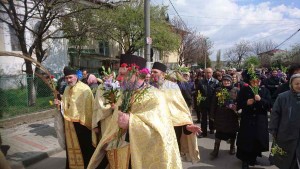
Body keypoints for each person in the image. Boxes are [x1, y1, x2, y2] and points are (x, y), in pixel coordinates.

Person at [88, 55, 184, 169]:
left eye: (122, 74)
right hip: (120, 154)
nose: (118, 78)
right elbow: (114, 126)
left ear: (137, 74)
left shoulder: (156, 97)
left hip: (142, 158)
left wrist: (131, 122)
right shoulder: (124, 95)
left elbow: (162, 134)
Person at [151, 62, 201, 163]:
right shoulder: (148, 87)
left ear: (163, 74)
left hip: (172, 128)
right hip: (153, 128)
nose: (152, 74)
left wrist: (187, 126)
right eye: (151, 72)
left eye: (155, 72)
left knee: (171, 158)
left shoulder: (173, 87)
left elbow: (180, 109)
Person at [54, 66, 95, 169]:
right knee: (71, 150)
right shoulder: (67, 89)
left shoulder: (85, 89)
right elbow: (67, 104)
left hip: (83, 125)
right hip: (70, 126)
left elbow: (90, 107)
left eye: (70, 77)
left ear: (76, 76)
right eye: (66, 78)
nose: (68, 80)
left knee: (84, 150)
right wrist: (60, 103)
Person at [236, 69, 271, 169]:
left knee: (257, 139)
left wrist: (261, 100)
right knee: (246, 140)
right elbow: (238, 105)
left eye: (258, 80)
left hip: (260, 120)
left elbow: (269, 105)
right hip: (247, 120)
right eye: (253, 81)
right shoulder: (244, 90)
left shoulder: (264, 90)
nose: (256, 82)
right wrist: (246, 103)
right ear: (249, 81)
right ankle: (245, 161)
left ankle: (253, 157)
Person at [269, 73, 300, 169]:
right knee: (285, 160)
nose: (299, 86)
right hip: (285, 133)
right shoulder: (282, 97)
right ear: (291, 84)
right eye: (297, 83)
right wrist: (273, 130)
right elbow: (275, 115)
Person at [209, 74, 239, 160]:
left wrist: (236, 108)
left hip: (232, 116)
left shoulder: (236, 90)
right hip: (220, 116)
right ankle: (215, 150)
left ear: (231, 81)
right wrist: (212, 115)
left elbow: (239, 102)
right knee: (218, 132)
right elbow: (213, 103)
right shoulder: (218, 90)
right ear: (222, 81)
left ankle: (232, 147)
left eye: (228, 81)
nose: (226, 82)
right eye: (225, 80)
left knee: (232, 133)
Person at [197, 67, 219, 137]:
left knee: (211, 117)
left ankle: (212, 129)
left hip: (213, 103)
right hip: (204, 103)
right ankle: (204, 132)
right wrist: (199, 102)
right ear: (204, 73)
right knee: (203, 119)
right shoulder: (201, 82)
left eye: (210, 72)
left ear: (212, 73)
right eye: (207, 72)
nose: (208, 74)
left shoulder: (216, 82)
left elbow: (218, 93)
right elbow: (198, 93)